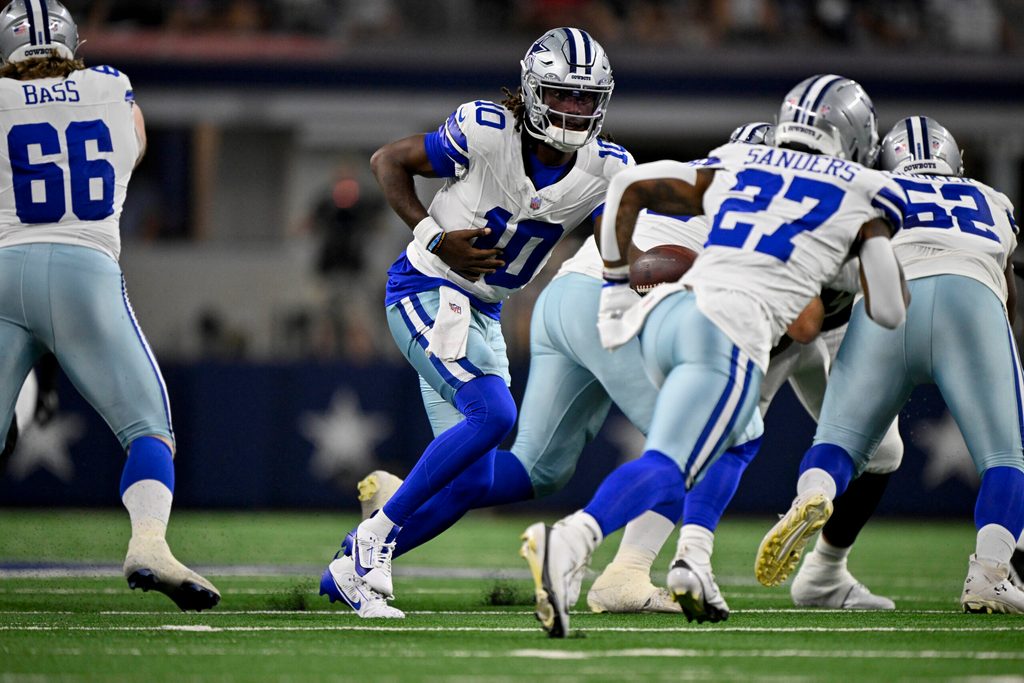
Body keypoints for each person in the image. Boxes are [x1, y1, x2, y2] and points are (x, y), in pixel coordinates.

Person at [521, 74, 910, 637]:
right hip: (727, 331)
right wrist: (872, 243)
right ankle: (574, 539)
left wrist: (611, 292)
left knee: (730, 435)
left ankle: (689, 565)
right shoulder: (862, 192)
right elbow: (890, 310)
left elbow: (628, 184)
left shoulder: (737, 162)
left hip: (669, 316)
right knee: (687, 459)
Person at [319, 27, 630, 618]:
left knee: (470, 482)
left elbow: (623, 250)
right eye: (562, 94)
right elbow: (388, 161)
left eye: (586, 98)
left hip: (482, 312)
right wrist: (436, 235)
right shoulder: (488, 130)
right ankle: (370, 543)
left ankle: (343, 573)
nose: (573, 109)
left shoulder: (605, 170)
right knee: (494, 415)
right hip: (425, 287)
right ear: (534, 92)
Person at [0, 0, 218, 611]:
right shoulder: (111, 86)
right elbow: (136, 146)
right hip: (84, 273)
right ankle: (148, 541)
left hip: (3, 269)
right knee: (149, 428)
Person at [759, 116, 1024, 613]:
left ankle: (812, 493)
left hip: (885, 304)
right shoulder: (992, 198)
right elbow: (1007, 296)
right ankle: (989, 574)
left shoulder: (866, 187)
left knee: (837, 444)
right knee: (1006, 460)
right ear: (954, 162)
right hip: (970, 297)